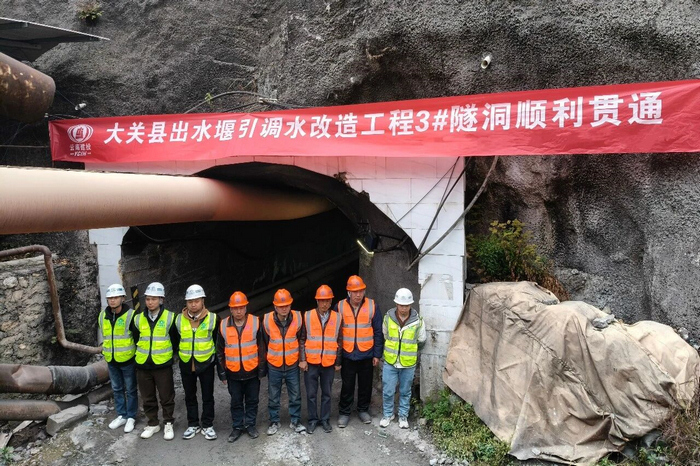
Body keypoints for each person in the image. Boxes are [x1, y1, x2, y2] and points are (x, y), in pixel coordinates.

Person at [175, 284, 223, 441]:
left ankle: (208, 425)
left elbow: (217, 341)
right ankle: (193, 424)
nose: (193, 304)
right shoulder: (178, 320)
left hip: (206, 363)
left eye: (196, 301)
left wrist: (215, 362)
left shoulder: (214, 319)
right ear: (186, 303)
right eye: (190, 301)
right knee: (190, 396)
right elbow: (176, 340)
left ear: (203, 301)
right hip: (186, 363)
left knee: (207, 396)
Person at [217, 291, 265, 443]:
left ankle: (250, 425)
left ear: (246, 308)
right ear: (231, 309)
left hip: (252, 371)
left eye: (241, 308)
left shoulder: (256, 322)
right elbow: (219, 351)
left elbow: (262, 348)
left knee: (252, 401)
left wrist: (261, 370)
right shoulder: (223, 325)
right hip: (233, 373)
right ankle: (237, 427)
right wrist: (222, 373)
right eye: (235, 308)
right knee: (236, 402)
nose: (238, 311)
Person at [134, 282, 180, 440]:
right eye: (147, 299)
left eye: (154, 299)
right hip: (143, 364)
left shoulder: (170, 318)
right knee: (147, 397)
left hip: (162, 365)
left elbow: (175, 340)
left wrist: (169, 357)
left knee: (166, 396)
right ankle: (153, 423)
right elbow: (136, 338)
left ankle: (168, 422)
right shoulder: (138, 319)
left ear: (161, 300)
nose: (150, 302)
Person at [336, 275, 383, 427]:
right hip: (348, 354)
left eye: (361, 291)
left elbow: (378, 332)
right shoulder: (339, 307)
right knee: (347, 385)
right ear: (348, 292)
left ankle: (363, 409)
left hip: (366, 354)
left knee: (365, 385)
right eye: (355, 292)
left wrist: (377, 354)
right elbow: (334, 332)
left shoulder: (372, 306)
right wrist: (337, 358)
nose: (358, 295)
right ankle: (344, 412)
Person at [261, 289, 306, 435]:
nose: (284, 308)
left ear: (291, 304)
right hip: (274, 365)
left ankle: (295, 421)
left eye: (286, 305)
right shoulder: (267, 320)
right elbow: (264, 343)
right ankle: (274, 421)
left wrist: (302, 359)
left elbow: (301, 339)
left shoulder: (298, 318)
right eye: (281, 306)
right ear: (275, 306)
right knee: (273, 396)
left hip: (292, 364)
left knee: (295, 395)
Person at [380, 288, 426, 429]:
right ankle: (388, 414)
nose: (404, 308)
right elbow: (385, 335)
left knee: (405, 391)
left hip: (408, 363)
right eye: (401, 305)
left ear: (411, 305)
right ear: (396, 304)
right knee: (388, 390)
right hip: (390, 361)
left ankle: (403, 416)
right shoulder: (388, 318)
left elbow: (421, 341)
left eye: (406, 305)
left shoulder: (418, 321)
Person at [99, 283, 138, 433]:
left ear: (122, 298)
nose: (112, 300)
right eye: (110, 298)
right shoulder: (102, 316)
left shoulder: (131, 315)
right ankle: (122, 415)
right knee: (116, 389)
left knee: (131, 389)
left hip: (128, 360)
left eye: (116, 297)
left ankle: (131, 416)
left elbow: (137, 338)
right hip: (111, 360)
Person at [303, 285, 342, 434]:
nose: (324, 304)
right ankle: (312, 420)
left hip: (328, 362)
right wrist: (302, 359)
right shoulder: (307, 316)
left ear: (331, 301)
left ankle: (325, 419)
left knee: (327, 393)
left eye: (327, 301)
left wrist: (338, 362)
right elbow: (302, 339)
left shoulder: (337, 317)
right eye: (321, 300)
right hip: (311, 362)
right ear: (317, 301)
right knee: (311, 394)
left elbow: (339, 341)